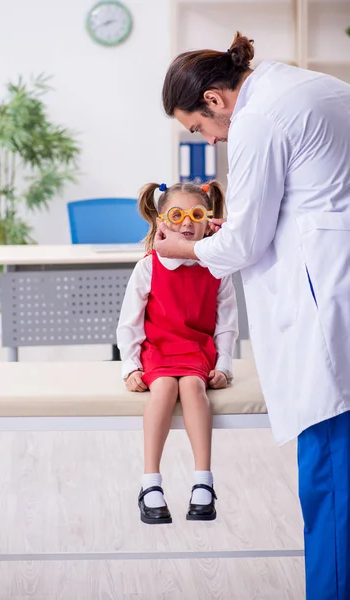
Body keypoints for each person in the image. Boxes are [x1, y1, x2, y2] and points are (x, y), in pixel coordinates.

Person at [157, 30, 350, 600]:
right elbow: (307, 198)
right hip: (335, 273)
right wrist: (230, 230)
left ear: (214, 100)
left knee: (330, 473)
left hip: (324, 302)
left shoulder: (257, 119)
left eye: (199, 128)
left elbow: (245, 247)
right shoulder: (308, 85)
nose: (209, 139)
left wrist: (185, 249)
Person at [117, 180, 238, 525]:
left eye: (196, 215)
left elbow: (227, 323)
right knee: (166, 388)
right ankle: (150, 483)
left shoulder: (217, 268)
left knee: (193, 388)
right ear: (162, 220)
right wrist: (130, 367)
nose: (187, 223)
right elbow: (129, 323)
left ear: (208, 219)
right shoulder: (148, 267)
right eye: (178, 214)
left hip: (196, 350)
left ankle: (203, 480)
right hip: (158, 349)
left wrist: (225, 366)